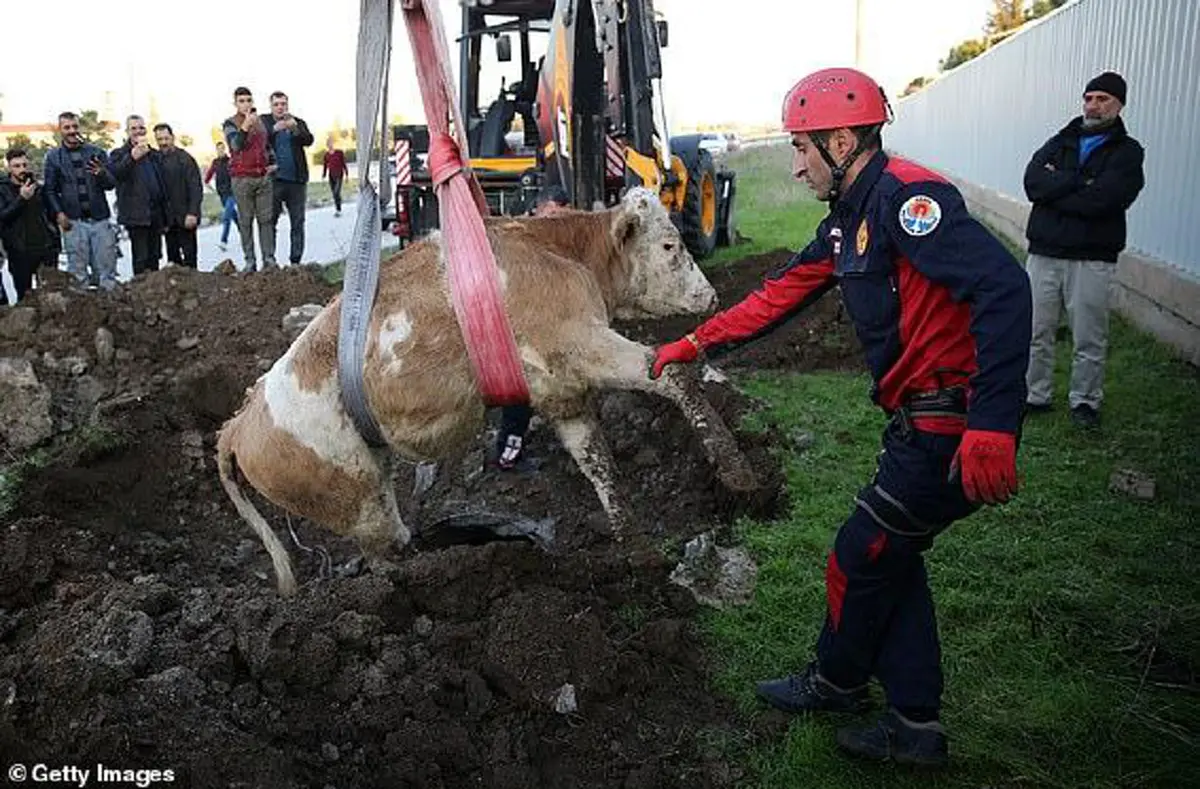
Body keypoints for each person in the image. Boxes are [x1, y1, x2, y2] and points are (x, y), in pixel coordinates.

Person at [650, 67, 1032, 768]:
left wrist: (995, 422)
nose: (795, 166)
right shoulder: (849, 219)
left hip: (952, 426)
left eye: (803, 149)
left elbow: (1004, 286)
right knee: (887, 555)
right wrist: (694, 342)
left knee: (862, 555)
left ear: (844, 140)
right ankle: (887, 706)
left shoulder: (909, 201)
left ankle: (853, 690)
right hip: (920, 421)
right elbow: (778, 295)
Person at [1022, 71, 1145, 430]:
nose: (1093, 105)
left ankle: (1085, 402)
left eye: (1103, 99)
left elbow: (1107, 199)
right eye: (1089, 98)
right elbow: (1033, 184)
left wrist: (1057, 188)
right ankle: (1035, 394)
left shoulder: (1127, 151)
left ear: (1119, 104)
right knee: (1035, 330)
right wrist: (1080, 181)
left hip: (1092, 257)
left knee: (1089, 336)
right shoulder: (1061, 141)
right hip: (1044, 253)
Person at [493, 184, 571, 471]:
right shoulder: (520, 235)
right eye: (552, 214)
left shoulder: (546, 236)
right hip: (514, 329)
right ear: (540, 208)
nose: (556, 222)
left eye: (562, 216)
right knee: (518, 396)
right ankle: (508, 458)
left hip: (536, 325)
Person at [42, 111, 119, 290]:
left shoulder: (97, 152)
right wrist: (58, 213)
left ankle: (111, 309)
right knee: (77, 273)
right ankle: (82, 313)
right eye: (67, 127)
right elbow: (50, 190)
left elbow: (110, 184)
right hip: (73, 222)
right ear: (60, 130)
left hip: (99, 220)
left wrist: (101, 173)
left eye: (74, 126)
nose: (71, 131)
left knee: (106, 269)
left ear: (79, 127)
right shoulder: (53, 157)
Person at [222, 87, 277, 271]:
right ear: (236, 103)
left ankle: (269, 259)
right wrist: (245, 126)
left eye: (248, 100)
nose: (246, 104)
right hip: (242, 179)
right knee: (245, 221)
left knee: (266, 220)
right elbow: (235, 145)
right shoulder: (230, 123)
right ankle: (250, 261)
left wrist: (273, 162)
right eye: (242, 101)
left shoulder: (260, 122)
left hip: (262, 177)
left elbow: (266, 145)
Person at [110, 114, 169, 275]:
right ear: (127, 132)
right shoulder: (119, 154)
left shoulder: (154, 155)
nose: (138, 131)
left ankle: (154, 294)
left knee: (155, 257)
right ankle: (140, 295)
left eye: (141, 127)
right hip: (136, 216)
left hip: (155, 214)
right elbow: (115, 174)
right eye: (133, 128)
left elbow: (162, 184)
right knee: (141, 259)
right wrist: (132, 157)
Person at [0, 148, 59, 303]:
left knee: (49, 297)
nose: (22, 169)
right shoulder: (3, 189)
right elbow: (3, 217)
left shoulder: (40, 189)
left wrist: (55, 244)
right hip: (20, 252)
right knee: (24, 298)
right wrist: (21, 199)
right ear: (9, 167)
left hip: (45, 249)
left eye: (24, 165)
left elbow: (50, 217)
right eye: (16, 166)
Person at [265, 91, 315, 264]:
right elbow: (257, 141)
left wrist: (294, 129)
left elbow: (309, 140)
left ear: (288, 105)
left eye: (283, 104)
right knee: (270, 221)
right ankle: (270, 260)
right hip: (274, 180)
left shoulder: (297, 122)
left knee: (298, 221)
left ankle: (296, 260)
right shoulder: (265, 122)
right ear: (271, 106)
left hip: (297, 181)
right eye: (276, 104)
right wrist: (273, 130)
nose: (280, 107)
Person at [154, 123, 203, 268]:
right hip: (168, 221)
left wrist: (193, 212)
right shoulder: (156, 160)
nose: (163, 143)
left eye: (166, 138)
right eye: (160, 140)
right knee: (173, 261)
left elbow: (195, 188)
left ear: (173, 138)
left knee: (190, 258)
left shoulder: (185, 159)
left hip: (186, 217)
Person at [204, 141, 238, 251]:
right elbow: (208, 177)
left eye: (222, 148)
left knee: (226, 217)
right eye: (219, 149)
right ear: (216, 150)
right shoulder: (215, 162)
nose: (221, 151)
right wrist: (211, 187)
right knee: (234, 216)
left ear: (225, 149)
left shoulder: (230, 161)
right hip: (222, 194)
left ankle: (223, 241)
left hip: (232, 193)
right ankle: (245, 234)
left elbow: (237, 174)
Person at [322, 137, 348, 216]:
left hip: (339, 175)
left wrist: (347, 175)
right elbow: (325, 166)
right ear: (327, 145)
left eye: (331, 143)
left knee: (337, 192)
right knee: (334, 193)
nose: (330, 145)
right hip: (331, 176)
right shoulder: (326, 155)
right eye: (328, 143)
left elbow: (343, 163)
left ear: (333, 144)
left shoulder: (339, 153)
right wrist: (324, 175)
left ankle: (339, 209)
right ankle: (337, 207)